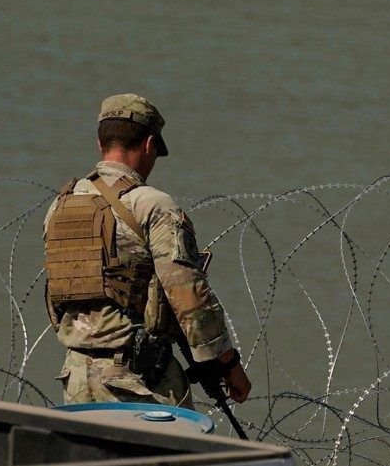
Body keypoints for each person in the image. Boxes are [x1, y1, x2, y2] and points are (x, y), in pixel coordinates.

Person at [43, 93, 250, 407]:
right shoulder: (152, 205)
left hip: (77, 376)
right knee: (172, 456)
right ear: (150, 144)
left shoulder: (60, 205)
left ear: (101, 144)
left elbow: (57, 294)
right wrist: (228, 363)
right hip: (138, 377)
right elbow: (187, 295)